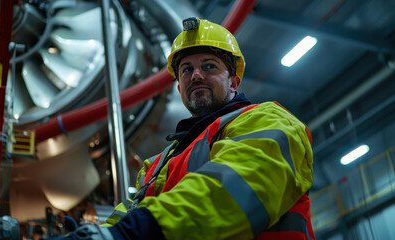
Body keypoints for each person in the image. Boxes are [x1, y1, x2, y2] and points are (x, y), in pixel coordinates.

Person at [60, 17, 315, 240]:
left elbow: (232, 190)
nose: (196, 75)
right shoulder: (157, 166)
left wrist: (134, 231)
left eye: (209, 66)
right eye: (186, 70)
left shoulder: (270, 120)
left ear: (234, 82)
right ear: (180, 89)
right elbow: (129, 216)